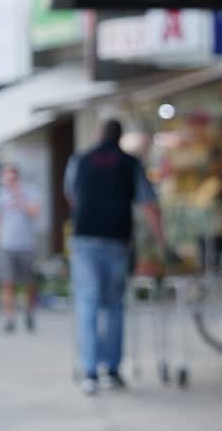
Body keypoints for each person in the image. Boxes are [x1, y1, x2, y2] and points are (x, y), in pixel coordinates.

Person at [65, 119, 168, 396]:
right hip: (116, 240)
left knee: (87, 304)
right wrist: (162, 243)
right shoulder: (129, 164)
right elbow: (149, 205)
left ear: (99, 135)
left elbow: (72, 196)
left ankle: (89, 372)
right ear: (121, 138)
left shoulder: (80, 160)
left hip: (85, 238)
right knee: (113, 306)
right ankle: (111, 370)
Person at [0, 165, 42, 333]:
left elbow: (35, 212)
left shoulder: (30, 192)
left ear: (17, 177)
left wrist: (18, 195)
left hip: (26, 244)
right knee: (6, 283)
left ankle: (28, 313)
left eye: (11, 177)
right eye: (5, 176)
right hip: (5, 245)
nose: (8, 180)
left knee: (29, 284)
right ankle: (9, 319)